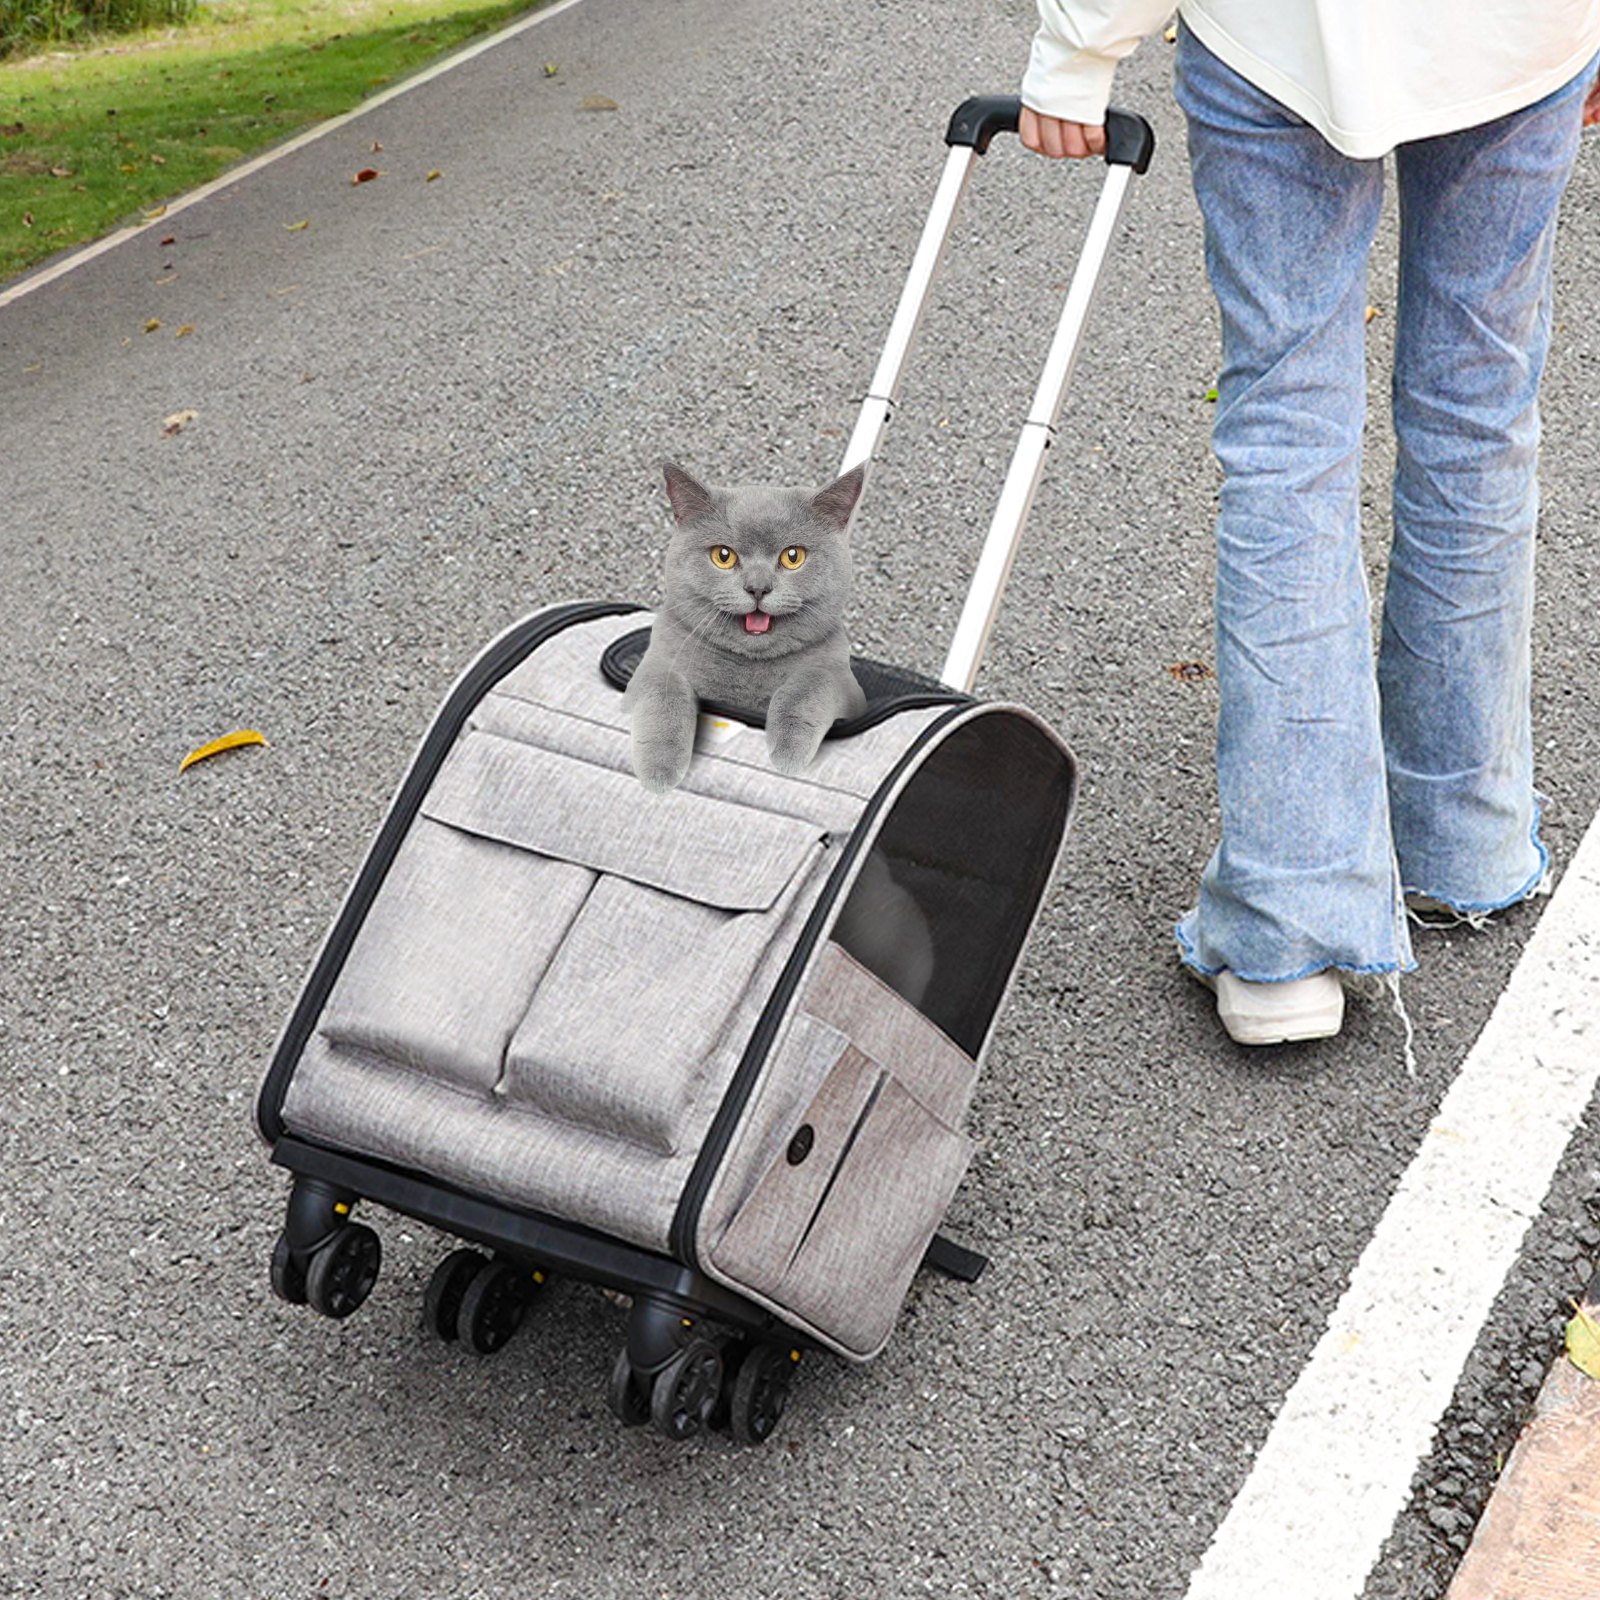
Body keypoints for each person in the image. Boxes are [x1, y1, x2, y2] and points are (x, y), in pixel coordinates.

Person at [1019, 2, 1600, 1046]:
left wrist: (1077, 48)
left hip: (1282, 39)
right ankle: (1458, 838)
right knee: (1477, 409)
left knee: (1287, 434)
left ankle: (1289, 925)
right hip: (1517, 36)